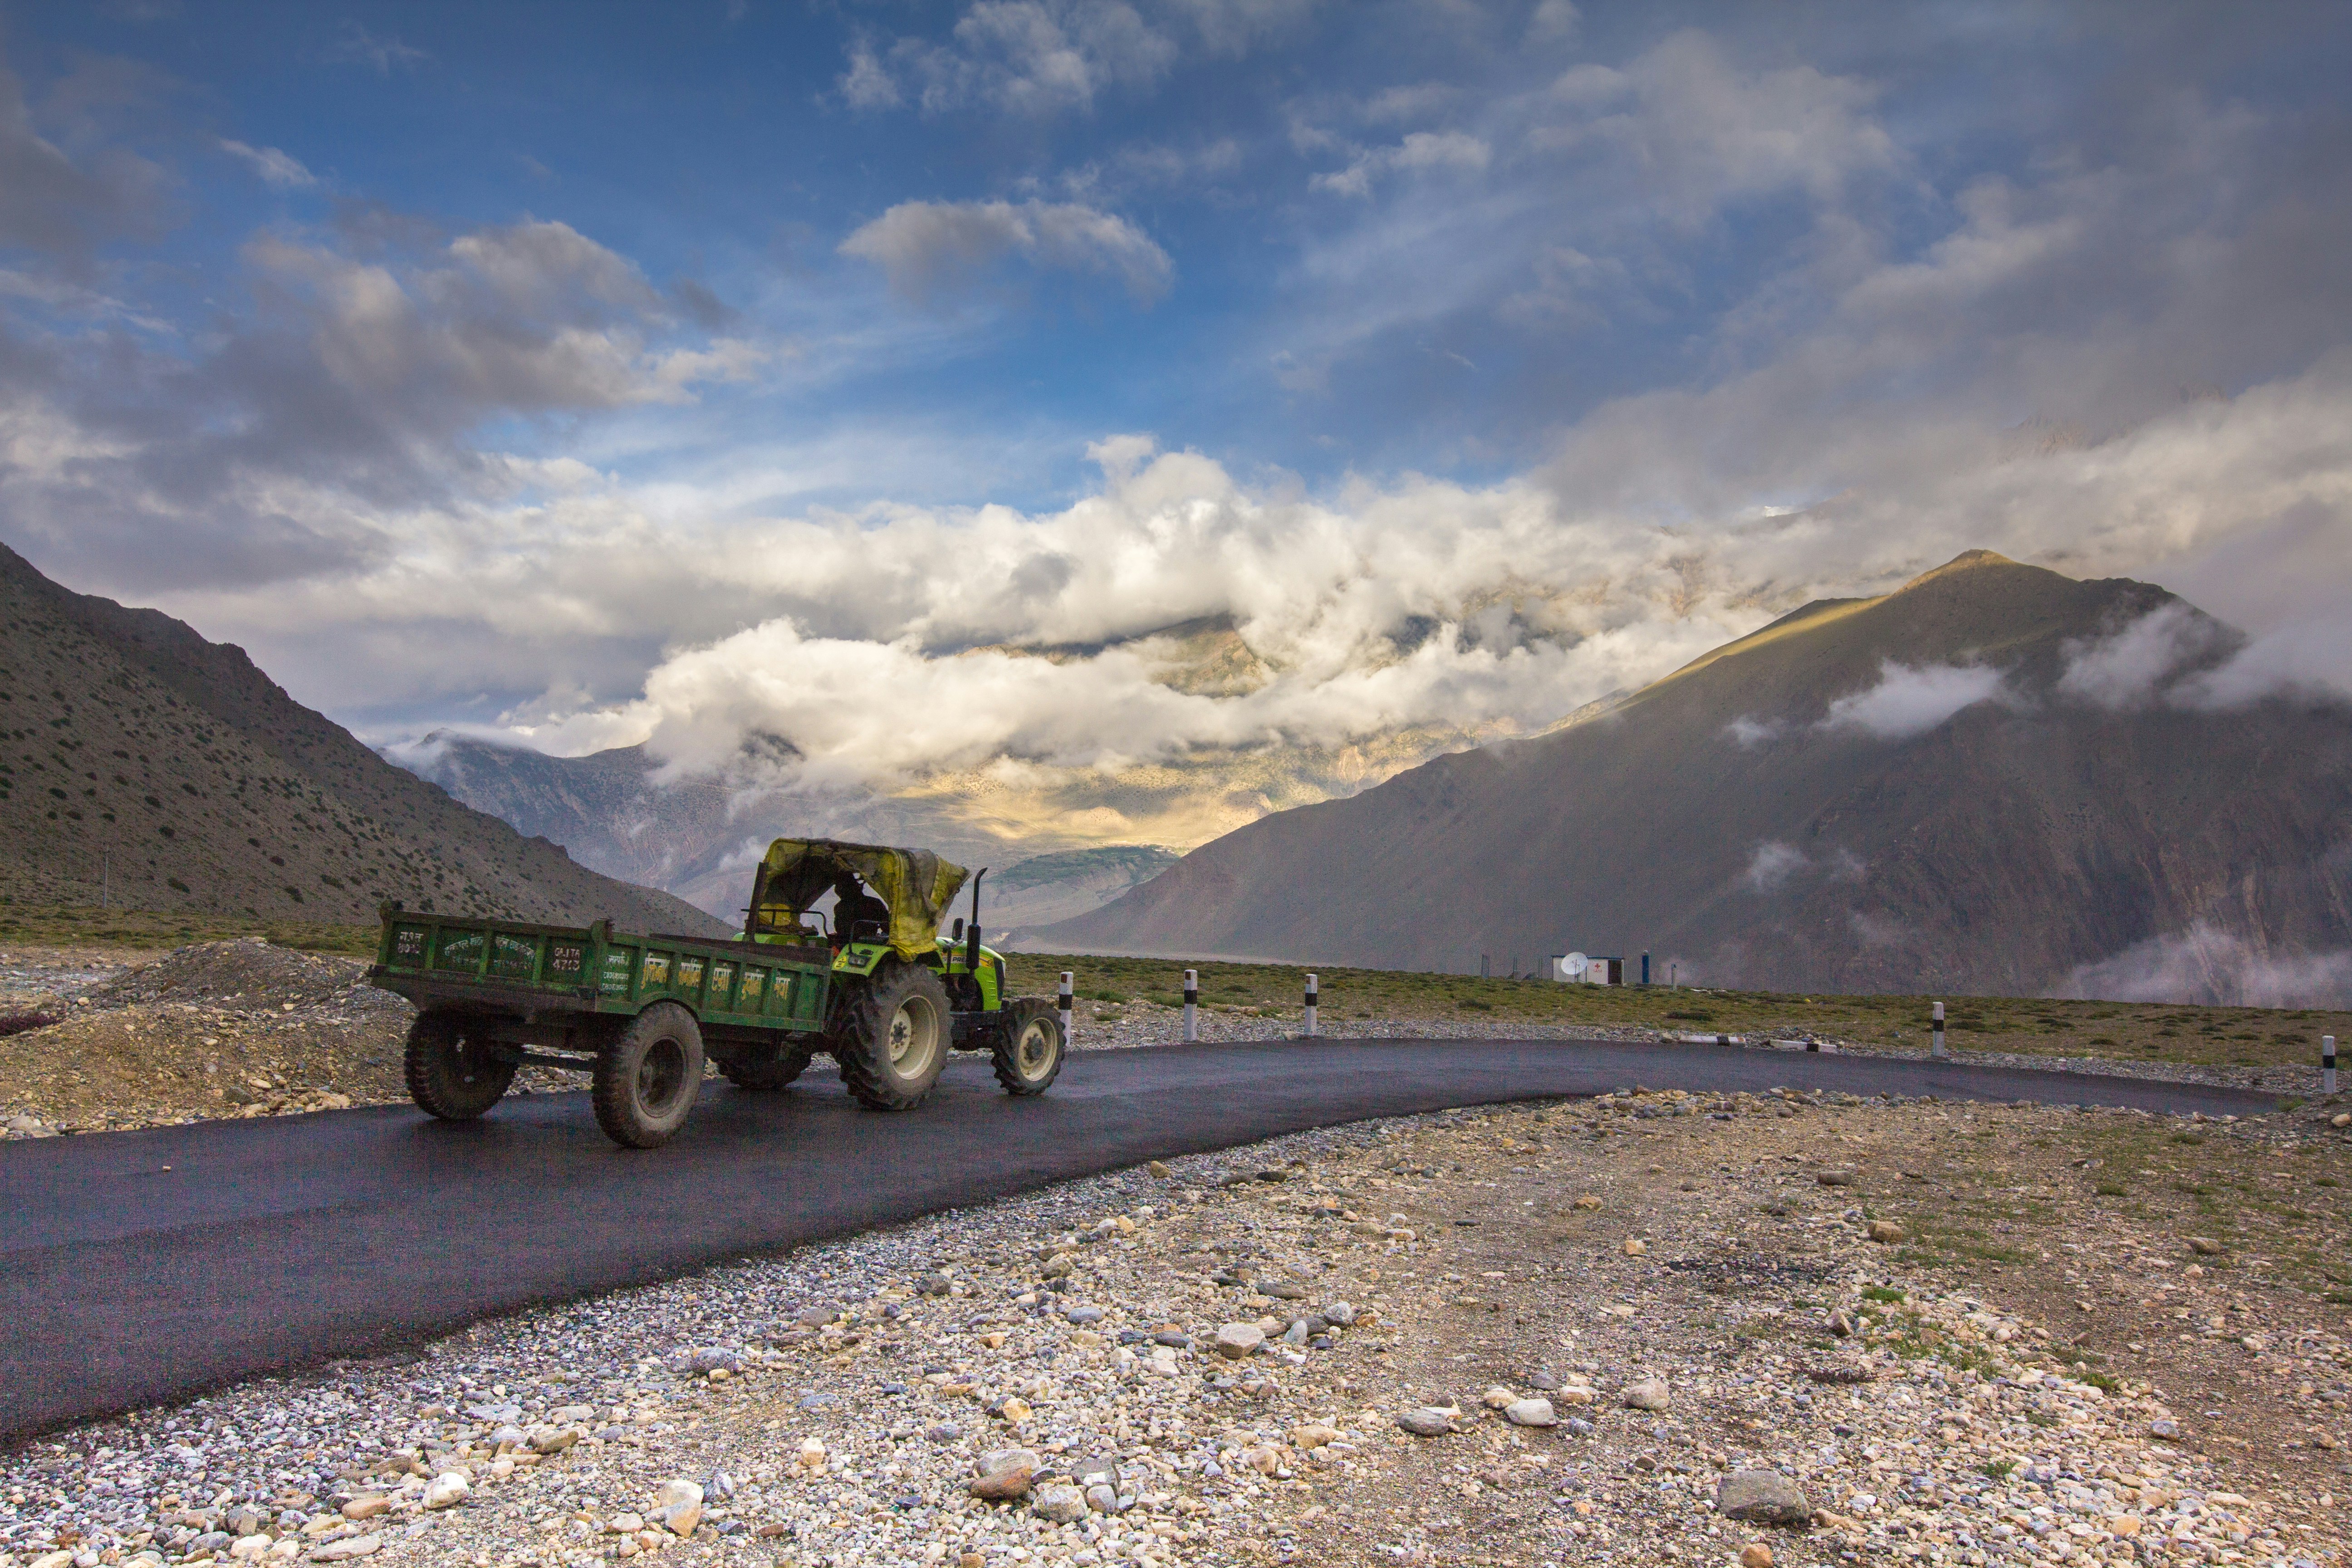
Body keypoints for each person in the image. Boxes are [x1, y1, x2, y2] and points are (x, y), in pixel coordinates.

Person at [831, 872, 890, 946]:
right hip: (862, 944)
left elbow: (886, 926)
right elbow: (887, 927)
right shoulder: (874, 903)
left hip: (846, 944)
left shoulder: (839, 907)